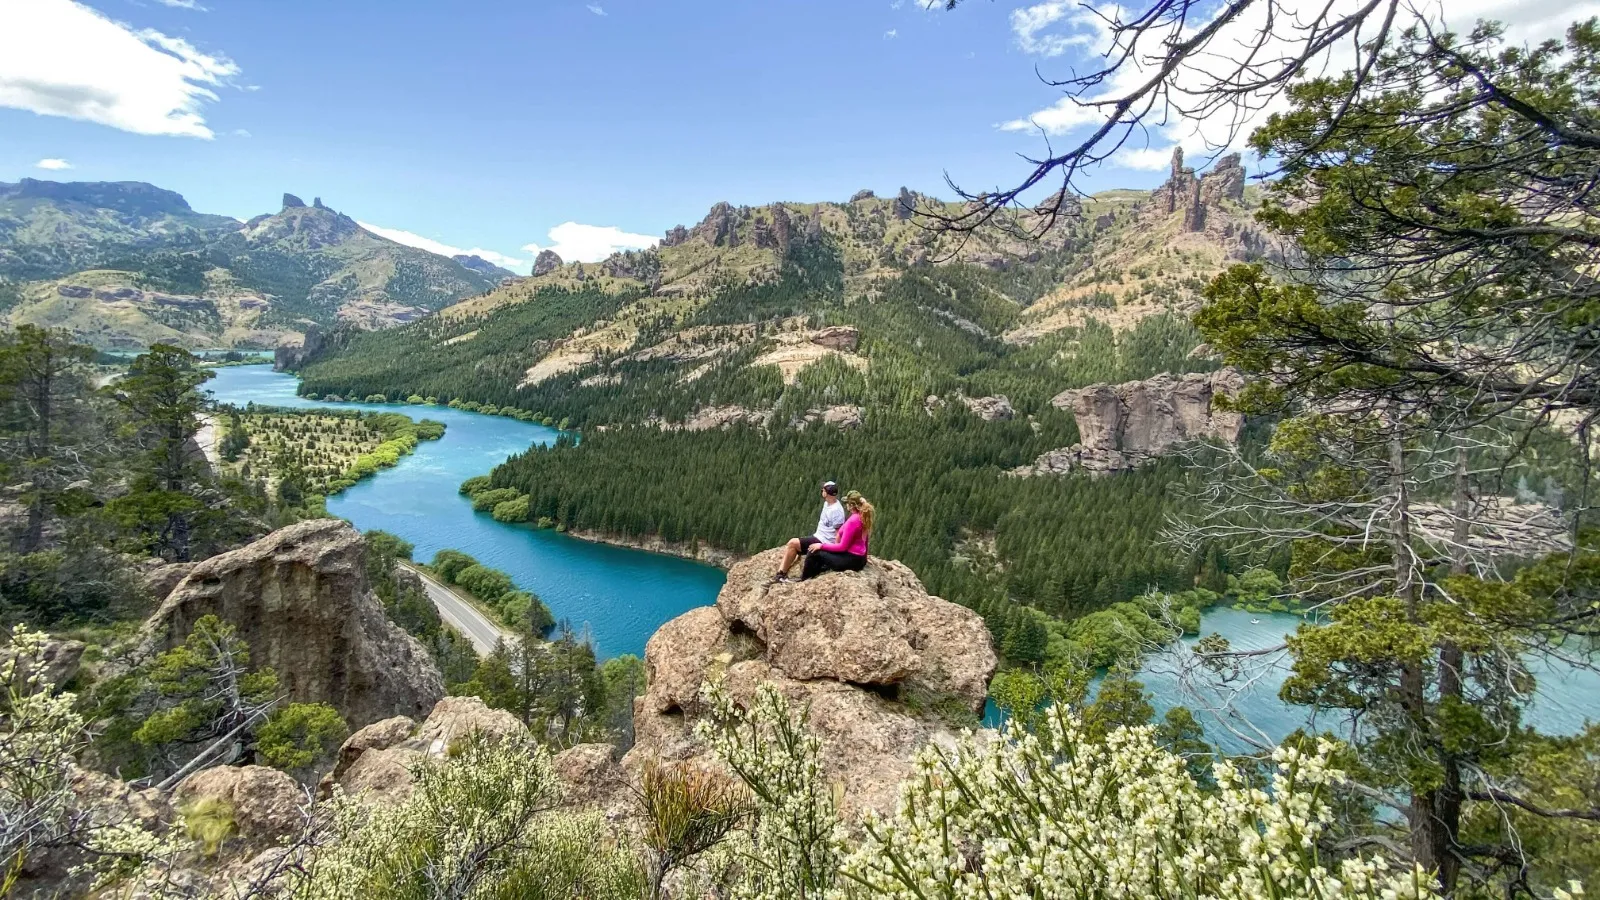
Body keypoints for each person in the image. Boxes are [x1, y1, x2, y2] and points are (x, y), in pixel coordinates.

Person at [773, 480, 846, 583]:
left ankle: (781, 574)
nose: (822, 492)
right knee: (794, 543)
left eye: (823, 490)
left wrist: (832, 550)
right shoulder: (828, 504)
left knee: (792, 543)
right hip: (819, 537)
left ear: (826, 493)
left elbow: (839, 533)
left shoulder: (836, 511)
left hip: (823, 541)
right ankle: (781, 574)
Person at [800, 490, 873, 581]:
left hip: (852, 560)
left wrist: (821, 546)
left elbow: (842, 547)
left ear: (851, 505)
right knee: (824, 554)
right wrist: (864, 558)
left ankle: (804, 579)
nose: (846, 505)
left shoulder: (853, 521)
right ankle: (816, 573)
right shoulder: (862, 517)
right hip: (860, 559)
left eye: (847, 503)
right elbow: (865, 541)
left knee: (814, 552)